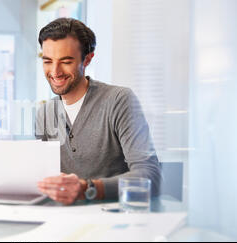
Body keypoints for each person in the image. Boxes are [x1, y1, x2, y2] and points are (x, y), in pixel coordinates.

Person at [36, 18, 161, 205]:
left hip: (114, 220)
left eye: (66, 61)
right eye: (47, 61)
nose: (55, 71)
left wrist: (88, 188)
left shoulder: (119, 100)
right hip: (62, 220)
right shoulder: (44, 113)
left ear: (87, 59)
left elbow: (150, 177)